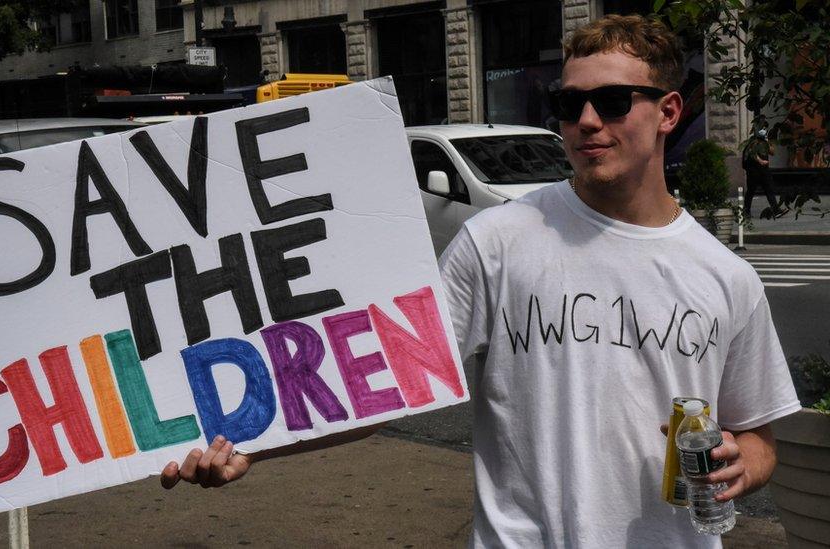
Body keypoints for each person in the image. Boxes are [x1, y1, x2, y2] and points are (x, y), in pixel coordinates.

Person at [161, 14, 801, 548]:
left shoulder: (726, 277)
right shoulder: (499, 239)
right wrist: (251, 441)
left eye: (610, 101)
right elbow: (386, 384)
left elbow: (759, 435)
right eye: (566, 102)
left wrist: (745, 464)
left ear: (668, 111)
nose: (585, 120)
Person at [742, 128, 781, 218]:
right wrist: (761, 161)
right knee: (751, 191)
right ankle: (746, 211)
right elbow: (752, 154)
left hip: (764, 172)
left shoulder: (764, 144)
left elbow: (772, 152)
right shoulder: (753, 144)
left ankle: (776, 210)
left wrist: (767, 142)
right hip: (754, 172)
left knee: (769, 190)